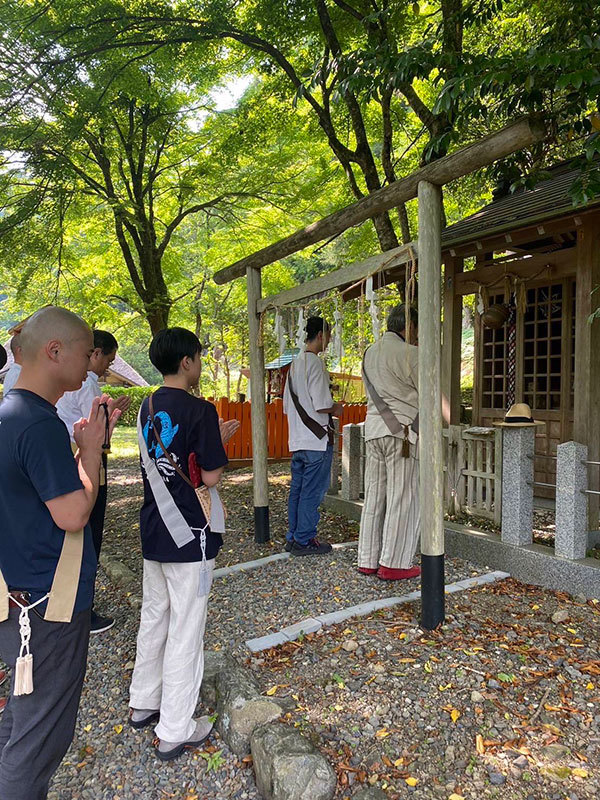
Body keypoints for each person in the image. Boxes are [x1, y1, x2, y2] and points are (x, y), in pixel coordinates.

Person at [0, 306, 120, 800]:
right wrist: (90, 450)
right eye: (86, 351)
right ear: (55, 351)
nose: (91, 361)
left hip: (14, 596)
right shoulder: (37, 423)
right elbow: (71, 514)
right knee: (39, 736)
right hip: (47, 607)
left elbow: (35, 492)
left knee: (20, 720)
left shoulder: (10, 414)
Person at [128, 327, 239, 761]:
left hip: (155, 529)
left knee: (154, 616)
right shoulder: (200, 410)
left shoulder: (147, 406)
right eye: (198, 356)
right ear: (187, 361)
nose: (200, 364)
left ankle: (144, 701)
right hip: (190, 533)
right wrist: (218, 443)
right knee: (186, 628)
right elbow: (208, 476)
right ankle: (176, 727)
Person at [358, 304, 449, 580]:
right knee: (403, 495)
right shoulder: (412, 354)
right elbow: (430, 394)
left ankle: (367, 558)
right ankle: (394, 563)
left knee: (374, 495)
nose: (418, 335)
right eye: (417, 328)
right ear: (409, 326)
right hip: (403, 433)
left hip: (374, 429)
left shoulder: (369, 353)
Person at [57, 330, 131, 633]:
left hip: (65, 454)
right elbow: (97, 432)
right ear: (94, 353)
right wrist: (109, 416)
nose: (105, 368)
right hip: (85, 456)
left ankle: (68, 605)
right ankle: (82, 611)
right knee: (89, 530)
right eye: (106, 360)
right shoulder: (86, 383)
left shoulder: (61, 383)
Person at [283, 316, 343, 556]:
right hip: (316, 441)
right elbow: (321, 403)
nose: (328, 341)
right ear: (320, 335)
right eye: (328, 336)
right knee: (312, 491)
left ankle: (293, 535)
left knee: (297, 490)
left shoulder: (294, 365)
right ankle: (304, 538)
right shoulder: (315, 363)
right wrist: (336, 407)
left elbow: (287, 406)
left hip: (297, 439)